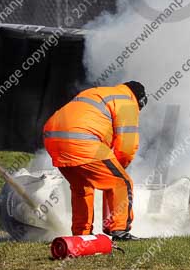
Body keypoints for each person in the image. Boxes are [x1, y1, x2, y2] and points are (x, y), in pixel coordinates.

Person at [43, 81, 147, 241]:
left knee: (82, 187)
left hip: (53, 138)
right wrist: (118, 169)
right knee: (121, 182)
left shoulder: (101, 93)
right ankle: (120, 231)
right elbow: (127, 147)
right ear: (140, 101)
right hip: (82, 141)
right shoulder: (128, 102)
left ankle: (81, 235)